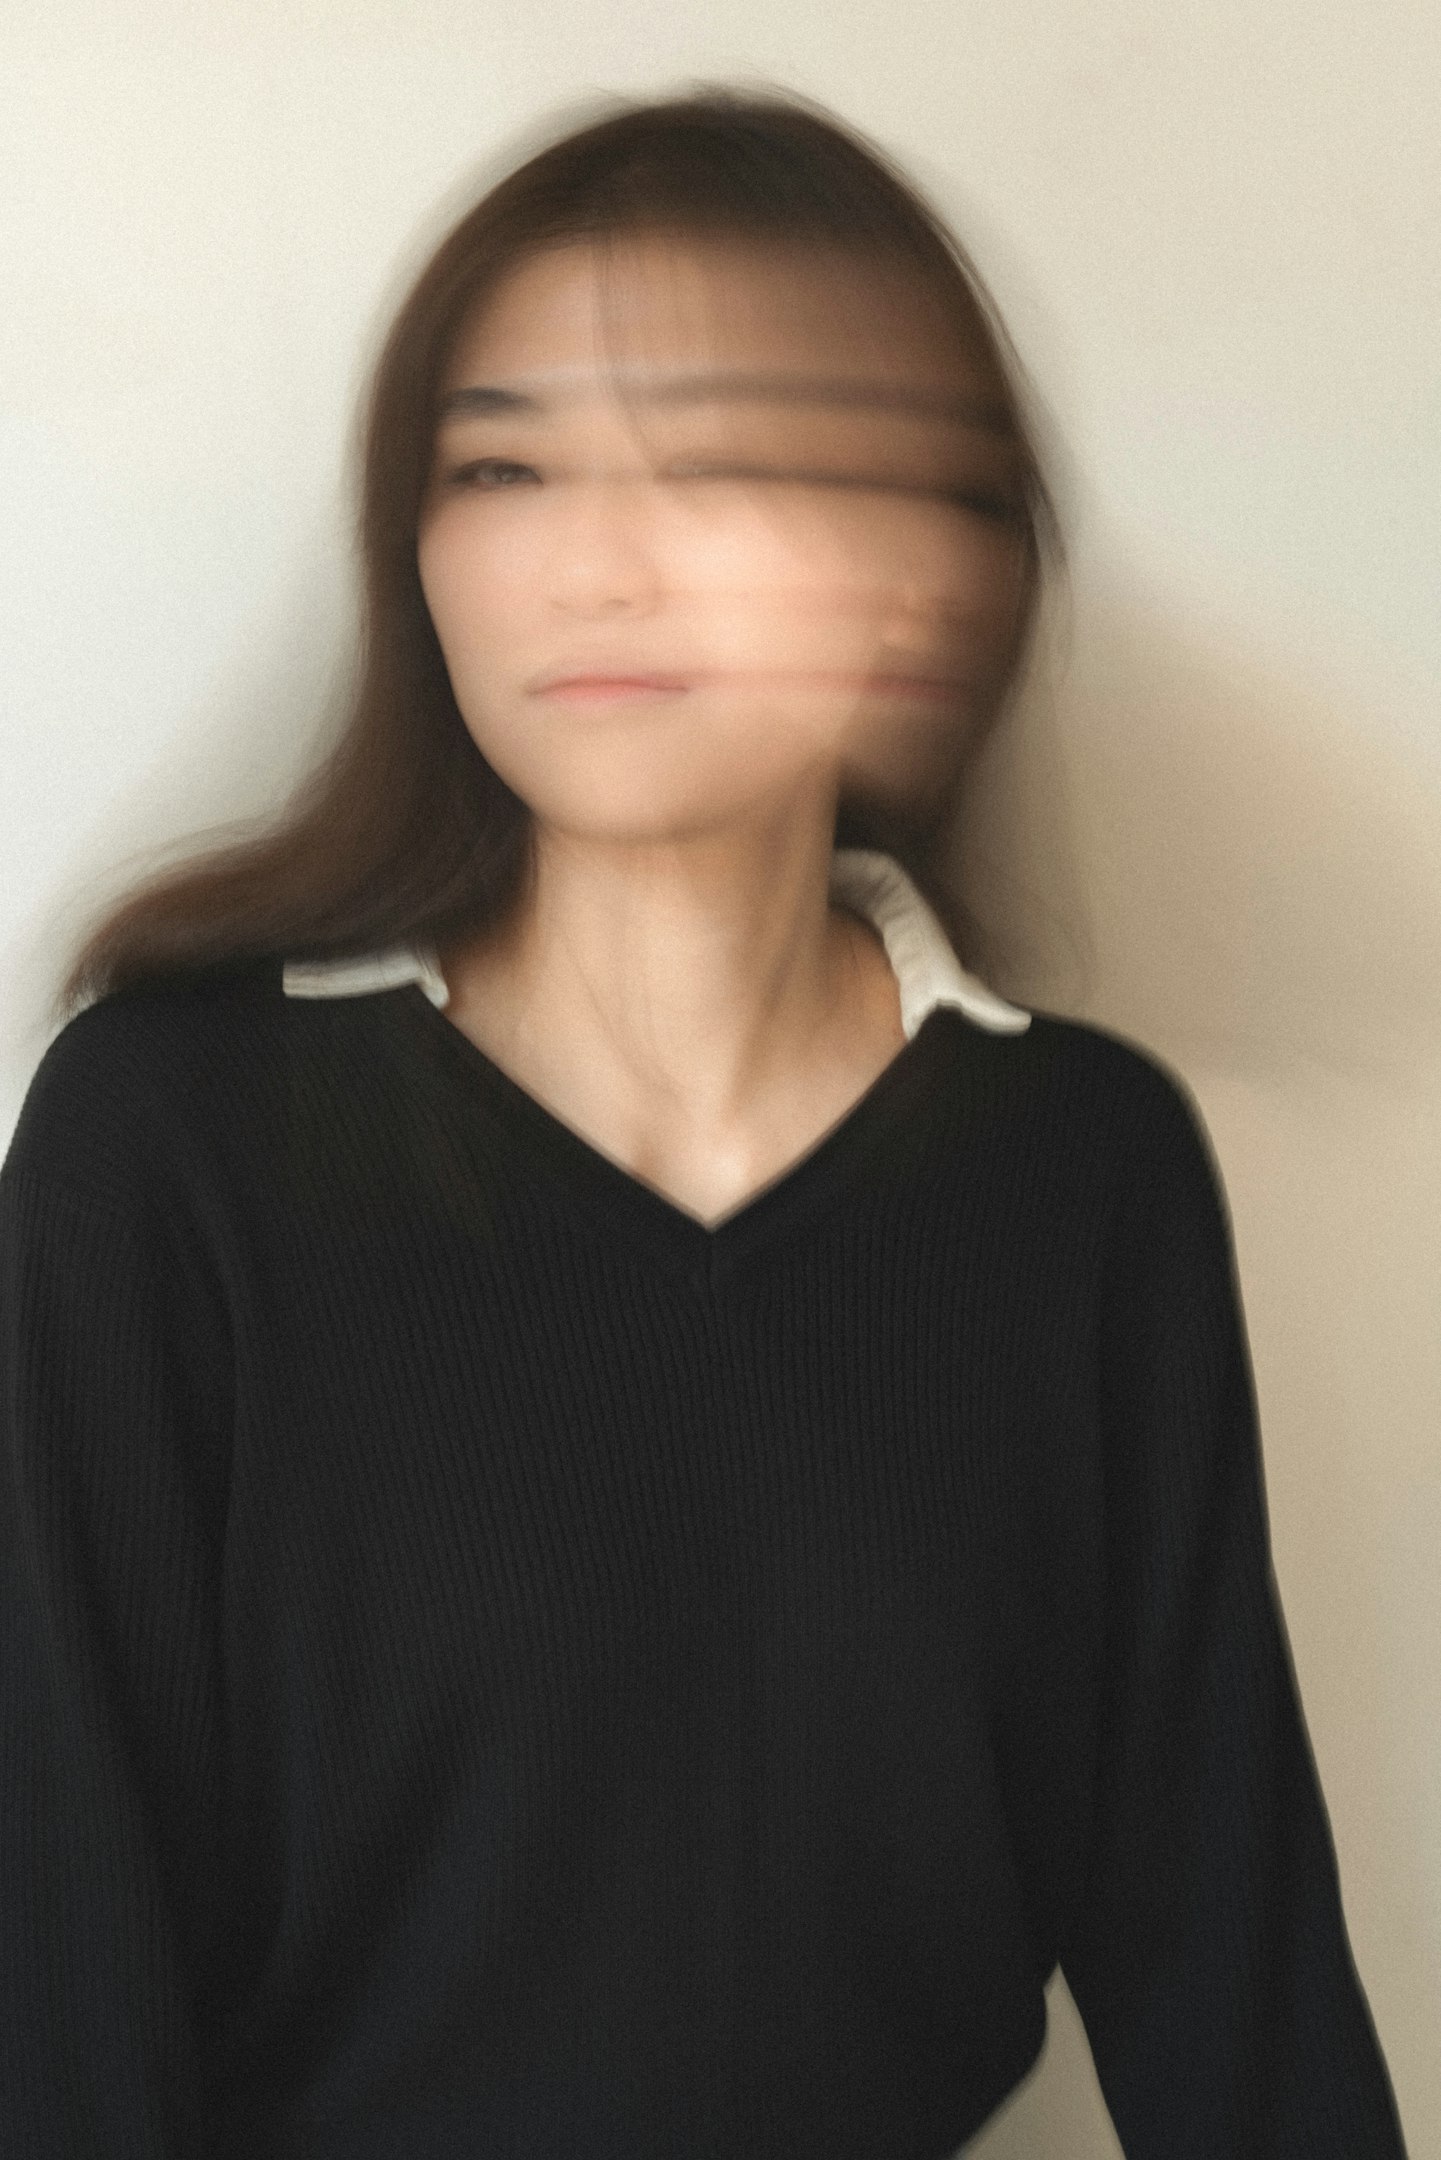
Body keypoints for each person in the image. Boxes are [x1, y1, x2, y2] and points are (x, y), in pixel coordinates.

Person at [0, 89, 1409, 2160]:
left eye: (718, 458)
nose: (593, 557)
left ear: (931, 564)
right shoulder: (172, 1147)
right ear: (419, 554)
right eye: (501, 463)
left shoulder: (1081, 1175)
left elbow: (1235, 1971)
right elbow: (54, 1995)